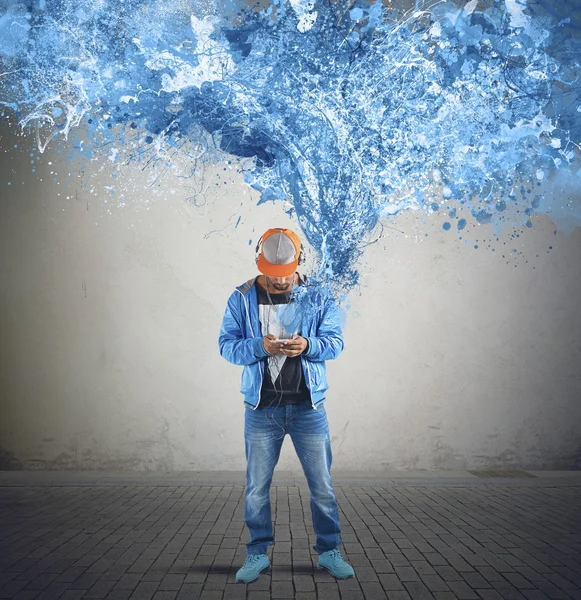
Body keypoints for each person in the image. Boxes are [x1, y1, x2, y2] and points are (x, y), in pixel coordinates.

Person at [218, 227, 355, 584]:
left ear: (300, 263)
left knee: (322, 486)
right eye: (273, 275)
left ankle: (329, 551)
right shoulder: (241, 298)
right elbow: (226, 347)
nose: (280, 282)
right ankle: (257, 554)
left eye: (286, 275)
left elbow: (336, 343)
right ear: (259, 264)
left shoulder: (319, 296)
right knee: (255, 488)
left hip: (309, 409)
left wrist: (308, 345)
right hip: (261, 411)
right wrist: (259, 347)